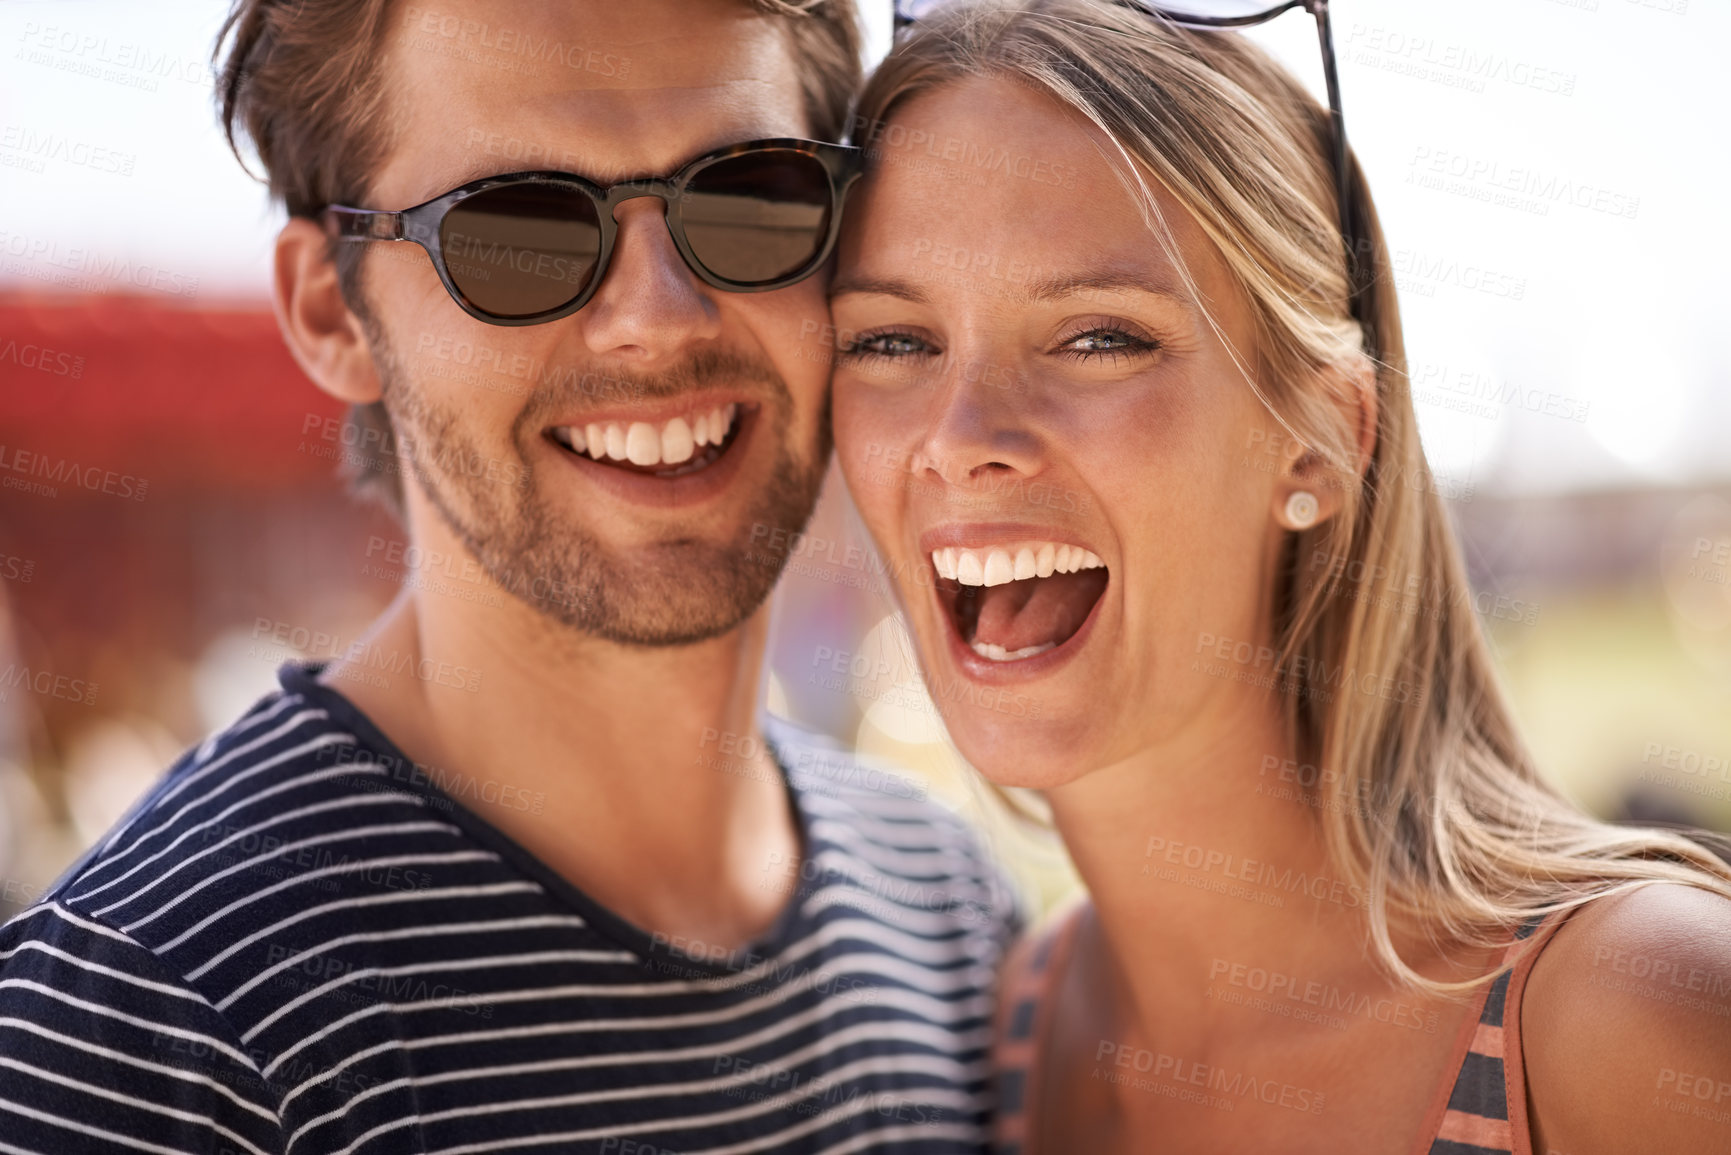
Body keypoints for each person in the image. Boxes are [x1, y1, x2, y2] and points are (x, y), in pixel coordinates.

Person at [0, 1, 1017, 1151]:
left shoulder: (948, 914)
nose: (658, 318)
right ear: (331, 310)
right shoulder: (160, 1018)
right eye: (520, 230)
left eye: (749, 196)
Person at [828, 2, 1731, 1152]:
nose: (961, 436)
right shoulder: (1016, 1034)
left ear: (1320, 436)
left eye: (1100, 336)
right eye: (892, 342)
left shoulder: (1637, 1018)